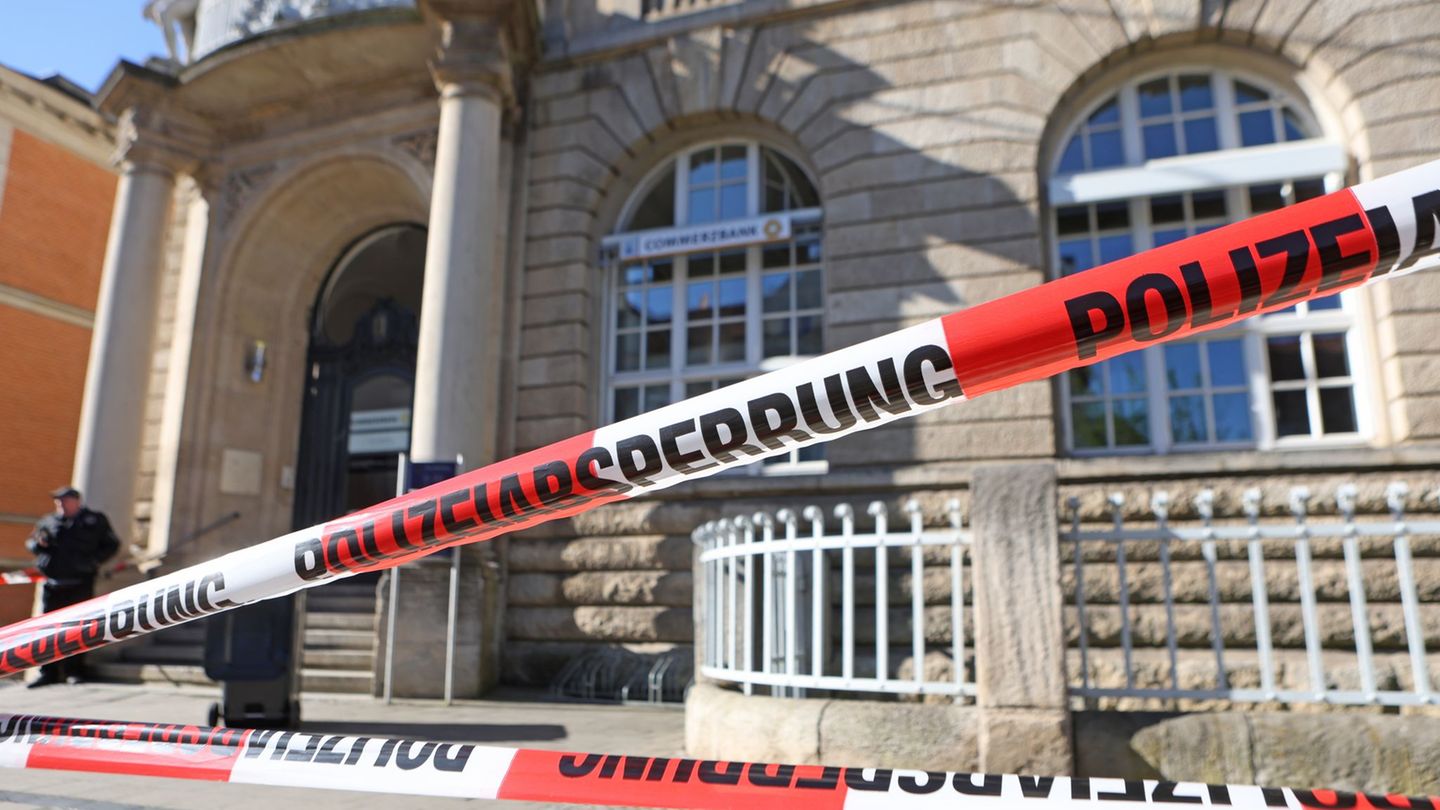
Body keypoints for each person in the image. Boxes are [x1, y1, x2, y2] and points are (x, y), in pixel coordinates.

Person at [25, 486, 121, 688]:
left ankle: (74, 671)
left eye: (64, 500)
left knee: (78, 628)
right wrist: (38, 545)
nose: (60, 504)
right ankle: (48, 672)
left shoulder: (94, 520)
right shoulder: (48, 521)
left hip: (80, 582)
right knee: (48, 629)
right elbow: (31, 542)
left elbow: (112, 544)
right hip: (53, 583)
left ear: (76, 501)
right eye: (57, 501)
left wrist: (94, 561)